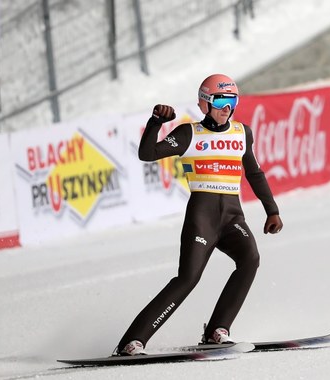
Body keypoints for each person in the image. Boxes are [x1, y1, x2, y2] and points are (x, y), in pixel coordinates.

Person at [116, 73, 283, 356]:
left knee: (250, 259)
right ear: (204, 104)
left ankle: (217, 330)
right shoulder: (188, 133)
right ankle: (132, 341)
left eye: (232, 101)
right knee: (188, 279)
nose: (227, 108)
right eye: (220, 101)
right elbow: (147, 154)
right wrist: (156, 122)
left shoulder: (242, 132)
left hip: (232, 218)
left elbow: (254, 172)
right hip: (202, 217)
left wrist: (272, 210)